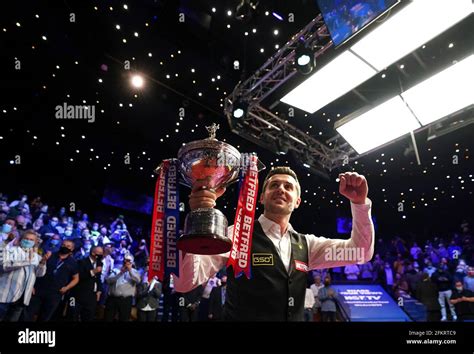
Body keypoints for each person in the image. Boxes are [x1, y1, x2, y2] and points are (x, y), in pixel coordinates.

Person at [173, 168, 374, 321]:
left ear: (297, 202)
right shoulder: (237, 233)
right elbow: (185, 283)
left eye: (288, 187)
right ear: (261, 197)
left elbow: (361, 252)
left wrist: (359, 204)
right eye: (274, 185)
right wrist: (198, 223)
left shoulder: (308, 245)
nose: (281, 189)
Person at [23, 240, 79, 321]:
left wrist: (67, 288)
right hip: (38, 289)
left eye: (68, 246)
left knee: (45, 317)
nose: (65, 247)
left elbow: (76, 278)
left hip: (55, 293)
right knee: (28, 314)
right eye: (63, 245)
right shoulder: (50, 255)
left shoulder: (73, 263)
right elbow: (36, 271)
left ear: (72, 249)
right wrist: (31, 285)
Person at [0, 230, 50, 321]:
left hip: (23, 297)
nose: (28, 241)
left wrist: (42, 263)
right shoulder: (10, 250)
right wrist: (27, 260)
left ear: (35, 243)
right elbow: (5, 266)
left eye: (31, 240)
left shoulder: (37, 256)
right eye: (26, 238)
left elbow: (39, 274)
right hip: (5, 294)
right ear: (21, 239)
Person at [104, 254, 140, 321]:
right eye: (125, 260)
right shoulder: (116, 270)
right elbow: (108, 281)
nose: (126, 262)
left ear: (132, 262)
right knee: (108, 318)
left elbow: (138, 280)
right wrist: (120, 273)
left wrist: (130, 271)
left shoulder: (135, 272)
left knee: (124, 318)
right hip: (113, 299)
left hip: (126, 300)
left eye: (128, 261)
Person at [71, 246, 103, 321]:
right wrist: (93, 272)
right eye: (99, 253)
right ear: (93, 253)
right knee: (73, 315)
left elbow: (98, 278)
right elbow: (79, 277)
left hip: (92, 296)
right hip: (78, 295)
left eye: (102, 253)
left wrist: (99, 290)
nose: (101, 254)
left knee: (89, 316)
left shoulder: (99, 263)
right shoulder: (81, 262)